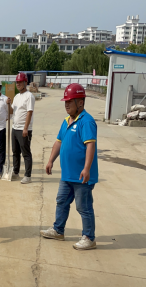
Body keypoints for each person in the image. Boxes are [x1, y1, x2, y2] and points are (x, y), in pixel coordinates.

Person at [41, 83, 98, 250]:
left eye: (69, 101)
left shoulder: (86, 122)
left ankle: (89, 237)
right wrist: (51, 160)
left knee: (84, 207)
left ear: (80, 102)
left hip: (81, 176)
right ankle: (58, 230)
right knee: (61, 202)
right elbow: (59, 142)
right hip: (67, 175)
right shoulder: (66, 121)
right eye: (65, 101)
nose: (66, 104)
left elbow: (90, 146)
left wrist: (86, 168)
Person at [11, 72, 35, 184]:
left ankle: (27, 175)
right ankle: (16, 172)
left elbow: (29, 112)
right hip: (15, 128)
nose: (18, 84)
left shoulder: (29, 96)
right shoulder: (16, 97)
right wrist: (7, 104)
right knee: (15, 152)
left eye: (20, 82)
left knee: (26, 152)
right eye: (17, 82)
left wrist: (26, 128)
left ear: (25, 82)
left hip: (24, 129)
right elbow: (12, 111)